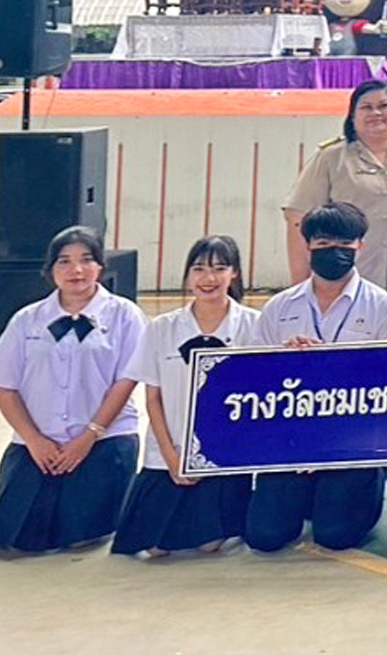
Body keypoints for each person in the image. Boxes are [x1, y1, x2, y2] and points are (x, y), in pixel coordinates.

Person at [245, 201, 387, 552]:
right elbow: (257, 381)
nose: (333, 252)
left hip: (352, 444)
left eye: (343, 244)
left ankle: (354, 494)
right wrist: (285, 359)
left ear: (359, 246)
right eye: (322, 245)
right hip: (292, 443)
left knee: (335, 537)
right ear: (307, 247)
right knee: (265, 537)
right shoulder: (279, 308)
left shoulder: (384, 307)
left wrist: (337, 365)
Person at [0, 225, 146, 553]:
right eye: (64, 261)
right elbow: (4, 386)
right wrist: (35, 440)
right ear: (50, 270)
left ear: (100, 266)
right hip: (39, 442)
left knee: (81, 536)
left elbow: (125, 383)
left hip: (103, 440)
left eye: (87, 260)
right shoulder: (27, 319)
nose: (77, 270)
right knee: (15, 539)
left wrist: (88, 437)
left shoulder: (126, 316)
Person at [113, 235, 261, 557]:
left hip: (224, 459)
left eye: (219, 268)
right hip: (171, 453)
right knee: (151, 548)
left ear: (234, 274)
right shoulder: (161, 328)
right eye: (199, 269)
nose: (208, 279)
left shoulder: (255, 327)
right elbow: (153, 398)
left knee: (210, 544)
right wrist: (170, 455)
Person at [284, 79, 387, 307]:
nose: (376, 113)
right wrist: (300, 279)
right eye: (366, 107)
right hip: (342, 272)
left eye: (384, 106)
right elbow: (298, 216)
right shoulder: (332, 157)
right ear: (352, 115)